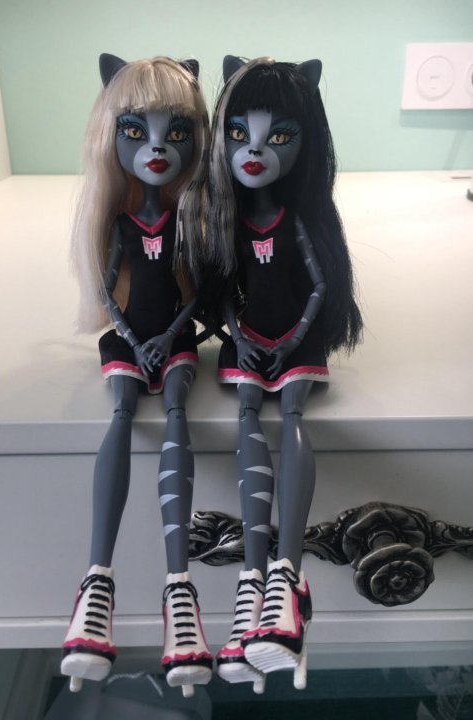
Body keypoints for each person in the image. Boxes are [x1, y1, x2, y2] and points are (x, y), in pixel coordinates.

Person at [204, 55, 362, 692]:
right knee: (248, 415)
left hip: (293, 342)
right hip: (251, 343)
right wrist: (239, 337)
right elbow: (220, 293)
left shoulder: (296, 221)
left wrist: (294, 339)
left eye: (279, 137)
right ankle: (253, 578)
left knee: (291, 415)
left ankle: (286, 574)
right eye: (239, 134)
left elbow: (321, 287)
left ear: (307, 142)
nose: (254, 150)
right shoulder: (230, 222)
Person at [61, 54, 212, 697]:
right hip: (131, 342)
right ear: (111, 137)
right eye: (136, 131)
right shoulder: (121, 224)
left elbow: (196, 291)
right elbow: (105, 288)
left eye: (176, 132)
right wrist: (130, 339)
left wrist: (171, 337)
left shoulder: (187, 221)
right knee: (122, 413)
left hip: (172, 342)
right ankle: (97, 581)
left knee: (176, 412)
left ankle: (181, 591)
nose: (156, 148)